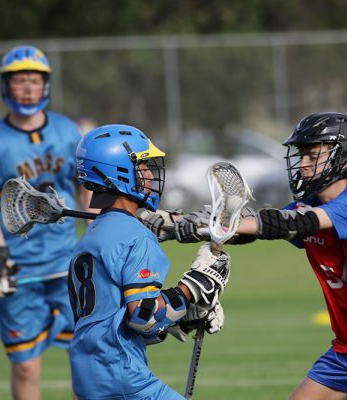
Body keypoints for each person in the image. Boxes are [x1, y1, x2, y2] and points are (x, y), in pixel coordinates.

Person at [162, 112, 347, 400]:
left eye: (313, 156)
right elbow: (254, 230)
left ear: (346, 159)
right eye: (301, 156)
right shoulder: (306, 206)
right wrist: (180, 226)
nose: (303, 164)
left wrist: (225, 224)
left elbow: (292, 223)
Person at [68, 123, 229, 400]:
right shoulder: (136, 236)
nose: (149, 174)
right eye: (142, 166)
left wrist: (180, 320)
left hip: (86, 375)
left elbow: (112, 317)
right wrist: (195, 286)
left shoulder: (92, 233)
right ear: (117, 173)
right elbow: (143, 316)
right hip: (122, 375)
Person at [0, 45, 90, 400]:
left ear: (46, 85)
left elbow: (86, 193)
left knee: (85, 356)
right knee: (25, 364)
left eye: (33, 80)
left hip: (65, 261)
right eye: (19, 80)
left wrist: (99, 233)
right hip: (17, 267)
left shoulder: (69, 132)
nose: (27, 88)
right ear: (6, 86)